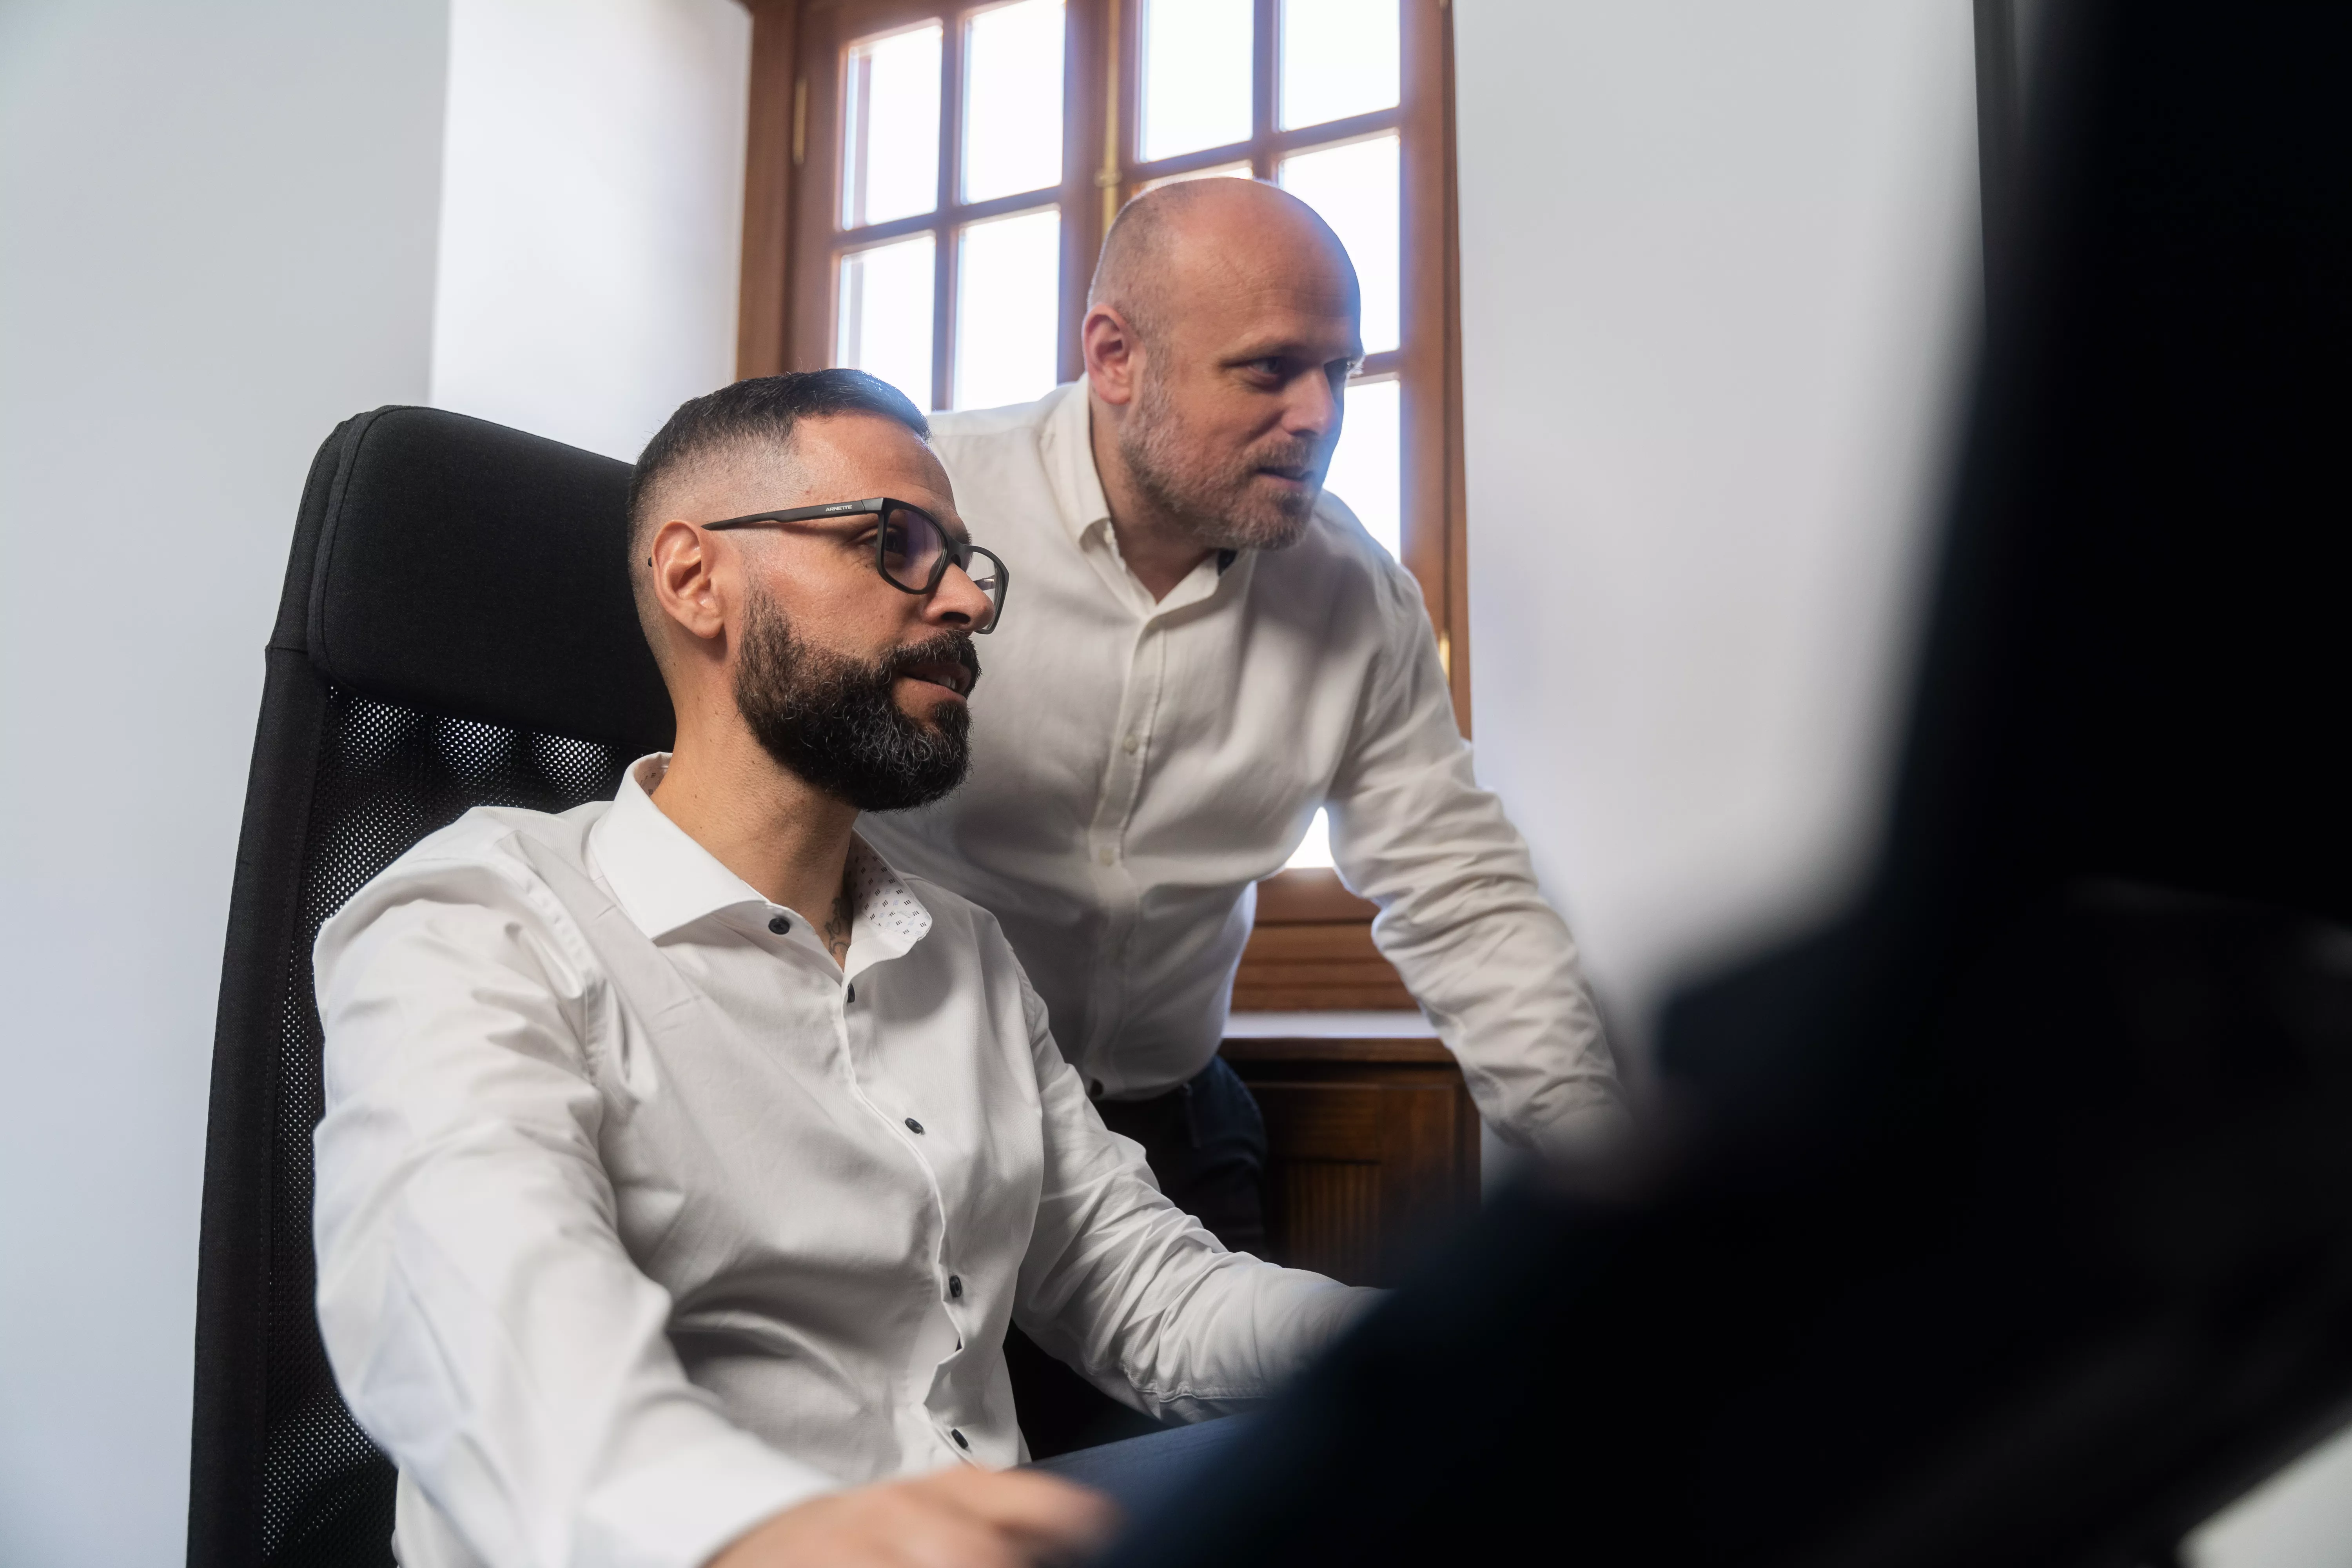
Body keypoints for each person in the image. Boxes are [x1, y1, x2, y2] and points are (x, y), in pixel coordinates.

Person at [309, 370, 1372, 1568]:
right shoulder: (477, 921)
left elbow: (1146, 1297)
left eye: (970, 560)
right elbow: (481, 1303)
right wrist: (757, 1534)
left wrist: (1442, 1341)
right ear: (694, 579)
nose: (968, 599)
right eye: (899, 544)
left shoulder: (963, 956)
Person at [861, 178, 1628, 1258]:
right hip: (907, 1111)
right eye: (1269, 369)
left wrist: (1608, 1181)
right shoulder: (923, 519)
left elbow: (1462, 896)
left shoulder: (1358, 598)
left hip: (1171, 1128)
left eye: (1339, 372)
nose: (1319, 416)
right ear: (1116, 357)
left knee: (1233, 1426)